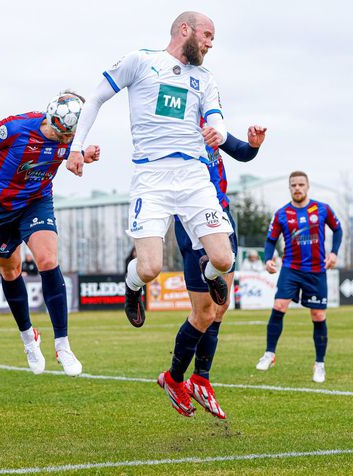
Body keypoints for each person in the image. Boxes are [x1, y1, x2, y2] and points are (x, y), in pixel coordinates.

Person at [66, 11, 235, 412]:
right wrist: (76, 147)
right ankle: (132, 284)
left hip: (194, 177)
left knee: (223, 259)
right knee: (150, 268)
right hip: (152, 178)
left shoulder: (204, 79)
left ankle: (211, 278)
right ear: (185, 30)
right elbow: (95, 99)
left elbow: (217, 120)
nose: (211, 43)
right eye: (208, 35)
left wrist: (218, 132)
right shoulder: (141, 61)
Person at [0, 91, 100, 377]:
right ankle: (29, 338)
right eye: (64, 135)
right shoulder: (16, 128)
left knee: (47, 260)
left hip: (36, 202)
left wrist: (85, 155)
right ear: (52, 121)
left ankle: (63, 345)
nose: (68, 140)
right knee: (10, 271)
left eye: (72, 137)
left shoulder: (68, 139)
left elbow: (68, 152)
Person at [172, 125, 267, 419]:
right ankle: (174, 378)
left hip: (222, 217)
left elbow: (241, 152)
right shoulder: (172, 135)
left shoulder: (212, 129)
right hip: (193, 221)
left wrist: (253, 145)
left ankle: (200, 379)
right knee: (203, 313)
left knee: (221, 307)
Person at [255, 171, 342, 383]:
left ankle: (319, 364)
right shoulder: (282, 213)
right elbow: (270, 240)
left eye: (301, 184)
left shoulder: (322, 209)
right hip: (291, 269)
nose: (297, 188)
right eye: (293, 185)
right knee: (279, 306)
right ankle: (269, 353)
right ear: (289, 188)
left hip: (316, 271)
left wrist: (333, 253)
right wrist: (267, 259)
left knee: (318, 316)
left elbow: (338, 230)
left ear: (307, 186)